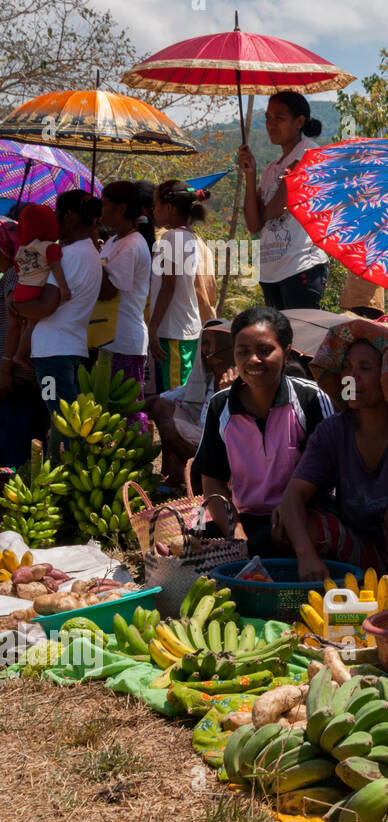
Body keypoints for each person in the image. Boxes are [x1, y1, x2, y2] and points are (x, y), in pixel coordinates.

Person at [277, 336, 388, 580]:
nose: (352, 377)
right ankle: (350, 580)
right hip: (359, 540)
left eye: (365, 368)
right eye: (347, 367)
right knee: (289, 521)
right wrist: (306, 555)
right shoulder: (333, 430)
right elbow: (294, 494)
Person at [192, 306, 336, 555]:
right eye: (243, 351)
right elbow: (213, 480)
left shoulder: (310, 399)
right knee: (190, 545)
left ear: (287, 352)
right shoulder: (221, 405)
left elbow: (328, 474)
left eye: (265, 350)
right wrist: (234, 532)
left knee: (261, 549)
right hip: (246, 519)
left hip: (302, 518)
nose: (253, 360)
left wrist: (291, 509)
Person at [237, 92, 329, 311]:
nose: (271, 124)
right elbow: (253, 225)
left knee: (300, 340)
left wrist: (264, 210)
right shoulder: (271, 169)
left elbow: (275, 209)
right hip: (271, 271)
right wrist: (251, 174)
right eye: (268, 117)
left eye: (279, 118)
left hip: (300, 266)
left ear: (299, 122)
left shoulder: (309, 152)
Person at [16, 190, 103, 416]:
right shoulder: (92, 253)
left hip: (51, 353)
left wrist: (16, 307)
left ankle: (62, 452)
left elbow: (46, 306)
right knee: (72, 417)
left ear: (69, 216)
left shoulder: (67, 255)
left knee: (59, 416)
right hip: (73, 347)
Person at [148, 320, 235, 493]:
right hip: (202, 442)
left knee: (168, 421)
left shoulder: (239, 380)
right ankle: (177, 476)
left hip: (229, 449)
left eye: (213, 343)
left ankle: (201, 477)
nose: (207, 350)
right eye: (204, 343)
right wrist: (120, 408)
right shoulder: (206, 381)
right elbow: (163, 398)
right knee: (161, 406)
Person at [98, 181, 154, 430]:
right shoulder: (113, 241)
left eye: (105, 204)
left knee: (125, 411)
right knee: (105, 409)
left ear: (120, 208)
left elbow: (109, 291)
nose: (101, 210)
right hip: (107, 335)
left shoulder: (132, 244)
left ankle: (136, 459)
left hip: (124, 338)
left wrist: (90, 256)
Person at [0, 218, 49, 465]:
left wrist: (6, 366)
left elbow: (15, 323)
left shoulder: (12, 275)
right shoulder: (33, 268)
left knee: (14, 434)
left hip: (16, 371)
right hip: (31, 367)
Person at [150, 181, 206, 392]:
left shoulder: (172, 236)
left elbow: (168, 287)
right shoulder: (188, 235)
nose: (153, 210)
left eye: (156, 204)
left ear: (169, 207)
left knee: (174, 401)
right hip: (182, 330)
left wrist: (153, 328)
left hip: (174, 332)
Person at [5, 205, 71, 370]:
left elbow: (19, 269)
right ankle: (20, 355)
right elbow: (56, 268)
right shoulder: (51, 247)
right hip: (35, 290)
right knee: (32, 325)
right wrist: (63, 288)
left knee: (27, 324)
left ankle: (21, 353)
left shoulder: (22, 249)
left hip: (21, 289)